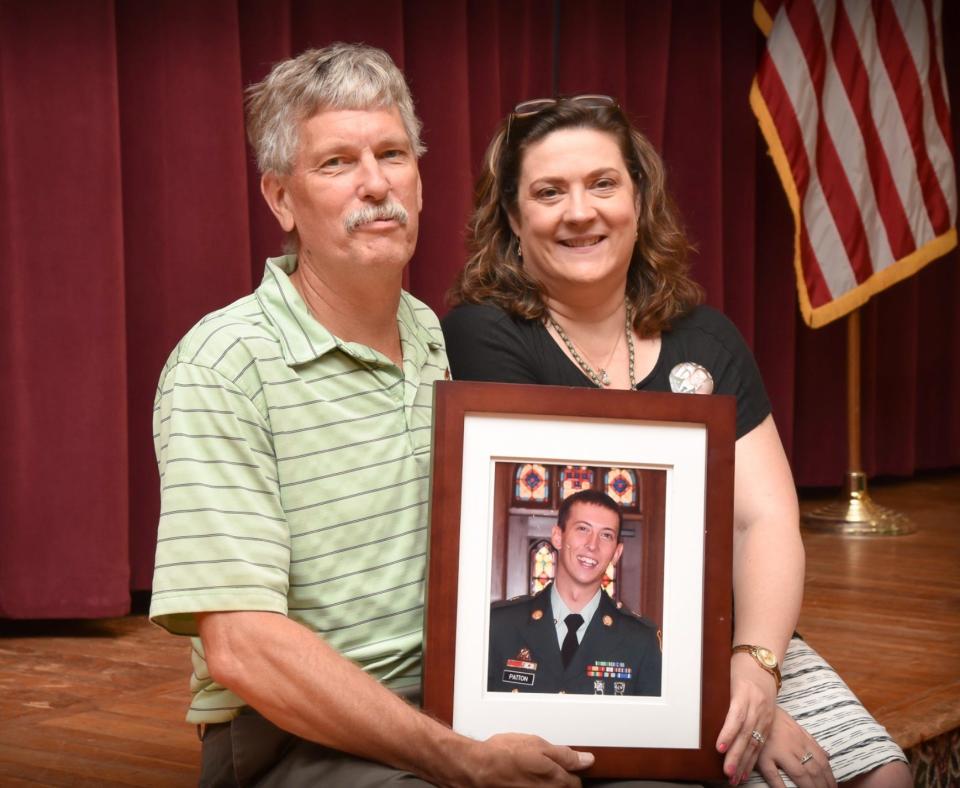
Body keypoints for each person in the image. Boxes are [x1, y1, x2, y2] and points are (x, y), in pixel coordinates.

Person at [149, 45, 597, 787]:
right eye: (336, 163)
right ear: (281, 199)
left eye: (393, 154)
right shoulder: (223, 365)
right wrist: (462, 760)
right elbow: (243, 648)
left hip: (456, 702)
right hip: (296, 734)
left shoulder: (431, 335)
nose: (376, 183)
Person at [442, 95, 912, 788]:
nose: (580, 211)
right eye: (549, 192)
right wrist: (716, 700)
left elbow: (767, 520)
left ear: (639, 197)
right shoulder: (484, 335)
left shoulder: (707, 337)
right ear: (514, 218)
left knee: (884, 777)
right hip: (577, 658)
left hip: (732, 629)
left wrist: (754, 668)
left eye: (603, 183)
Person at [488, 489, 661, 696]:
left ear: (616, 553)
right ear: (558, 537)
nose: (592, 545)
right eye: (582, 529)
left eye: (606, 535)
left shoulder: (641, 639)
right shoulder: (499, 625)